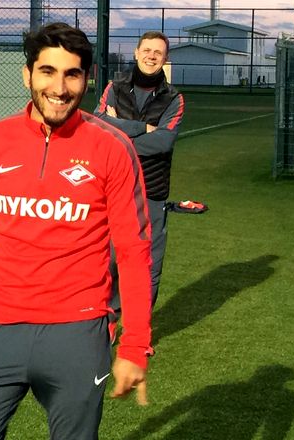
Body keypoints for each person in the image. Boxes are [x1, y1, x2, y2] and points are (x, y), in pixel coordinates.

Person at [0, 22, 153, 439]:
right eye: (47, 71)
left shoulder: (112, 148)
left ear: (88, 78)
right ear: (27, 74)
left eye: (72, 74)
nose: (59, 88)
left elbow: (133, 251)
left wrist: (136, 343)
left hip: (77, 332)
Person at [95, 31, 184, 312]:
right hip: (113, 188)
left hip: (152, 191)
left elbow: (163, 142)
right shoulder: (114, 87)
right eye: (146, 50)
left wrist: (118, 129)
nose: (151, 56)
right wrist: (141, 128)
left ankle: (140, 326)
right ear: (136, 53)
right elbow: (97, 125)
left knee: (148, 265)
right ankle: (109, 320)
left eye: (158, 52)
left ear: (165, 58)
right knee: (108, 260)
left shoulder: (174, 98)